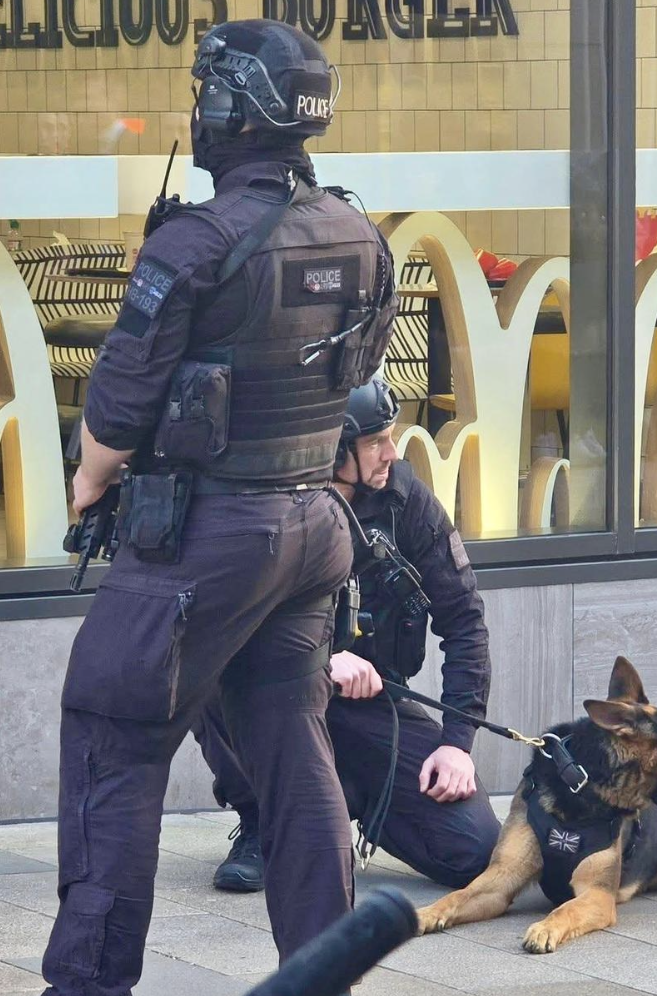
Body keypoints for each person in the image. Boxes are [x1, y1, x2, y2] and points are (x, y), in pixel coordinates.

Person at [41, 20, 397, 996]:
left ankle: (86, 984)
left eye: (208, 95)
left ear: (235, 109)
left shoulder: (197, 240)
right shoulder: (358, 232)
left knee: (112, 735)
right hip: (312, 531)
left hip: (203, 541)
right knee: (291, 741)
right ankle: (323, 972)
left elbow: (114, 410)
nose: (198, 112)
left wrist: (87, 488)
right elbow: (361, 377)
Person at [192, 376, 501, 896]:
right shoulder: (271, 507)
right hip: (277, 692)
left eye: (392, 436)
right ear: (335, 451)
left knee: (472, 852)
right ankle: (265, 820)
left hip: (372, 707)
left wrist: (457, 745)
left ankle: (343, 799)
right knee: (206, 681)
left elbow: (465, 621)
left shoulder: (407, 503)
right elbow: (214, 625)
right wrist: (317, 659)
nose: (392, 452)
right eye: (376, 442)